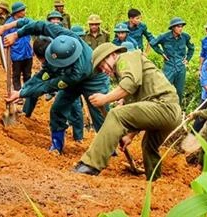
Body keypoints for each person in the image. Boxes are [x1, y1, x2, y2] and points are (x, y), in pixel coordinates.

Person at [0, 20, 110, 154]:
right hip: (70, 75)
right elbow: (40, 26)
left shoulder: (77, 72)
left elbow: (47, 85)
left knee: (99, 114)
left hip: (93, 79)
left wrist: (21, 94)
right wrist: (17, 34)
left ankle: (109, 149)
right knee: (57, 109)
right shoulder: (63, 35)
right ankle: (57, 146)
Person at [73, 43, 182, 180]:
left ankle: (90, 165)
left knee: (116, 115)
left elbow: (130, 84)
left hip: (164, 106)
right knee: (149, 146)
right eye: (101, 69)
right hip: (169, 112)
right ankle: (154, 179)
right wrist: (129, 136)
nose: (104, 70)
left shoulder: (124, 58)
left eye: (103, 65)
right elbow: (139, 108)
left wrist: (104, 99)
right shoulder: (127, 72)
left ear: (113, 55)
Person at [150, 17, 195, 105]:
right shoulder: (164, 37)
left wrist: (187, 59)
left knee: (179, 91)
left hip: (180, 67)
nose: (180, 28)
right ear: (173, 28)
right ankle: (162, 107)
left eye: (181, 26)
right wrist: (161, 53)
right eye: (178, 27)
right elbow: (153, 43)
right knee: (164, 88)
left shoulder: (185, 37)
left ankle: (178, 109)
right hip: (169, 66)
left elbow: (191, 48)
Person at [3, 2, 33, 94]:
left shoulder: (26, 21)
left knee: (27, 74)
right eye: (22, 10)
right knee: (16, 75)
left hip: (27, 53)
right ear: (17, 12)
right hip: (16, 54)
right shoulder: (8, 24)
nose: (24, 12)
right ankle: (17, 93)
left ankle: (27, 92)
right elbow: (5, 41)